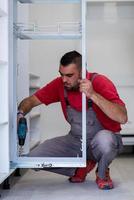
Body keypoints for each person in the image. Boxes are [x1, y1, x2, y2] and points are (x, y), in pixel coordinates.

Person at [17, 50, 128, 190]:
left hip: (103, 139)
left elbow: (122, 117)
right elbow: (31, 101)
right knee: (33, 159)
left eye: (69, 75)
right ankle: (79, 169)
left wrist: (93, 94)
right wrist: (20, 114)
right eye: (61, 74)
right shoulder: (60, 84)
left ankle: (102, 172)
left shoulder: (100, 82)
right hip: (76, 140)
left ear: (82, 72)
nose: (64, 80)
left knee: (105, 141)